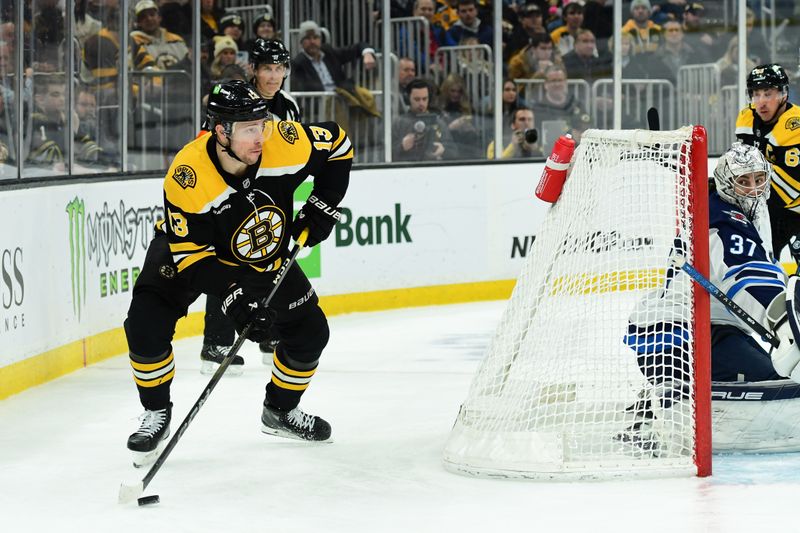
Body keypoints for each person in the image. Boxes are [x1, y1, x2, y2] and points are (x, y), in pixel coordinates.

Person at [124, 80, 352, 466]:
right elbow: (193, 257)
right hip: (194, 253)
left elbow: (339, 145)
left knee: (311, 333)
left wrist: (322, 206)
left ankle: (280, 411)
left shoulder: (283, 140)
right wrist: (233, 297)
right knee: (145, 322)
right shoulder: (188, 175)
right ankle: (156, 412)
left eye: (261, 124)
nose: (260, 136)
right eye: (248, 129)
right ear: (221, 132)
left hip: (258, 251)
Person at [620, 143, 785, 452]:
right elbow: (748, 276)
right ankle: (664, 404)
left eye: (759, 179)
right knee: (774, 383)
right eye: (743, 181)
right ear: (726, 184)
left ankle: (653, 403)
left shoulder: (737, 210)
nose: (753, 189)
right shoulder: (725, 220)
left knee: (773, 373)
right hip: (683, 337)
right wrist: (784, 322)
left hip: (698, 332)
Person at [198, 38, 302, 376]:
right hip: (232, 194)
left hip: (273, 197)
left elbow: (295, 151)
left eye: (279, 68)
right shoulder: (234, 100)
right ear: (253, 69)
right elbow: (207, 146)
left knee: (272, 262)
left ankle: (270, 336)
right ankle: (216, 342)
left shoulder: (289, 106)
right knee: (228, 264)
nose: (273, 76)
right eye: (267, 68)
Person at [735, 64, 800, 259]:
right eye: (756, 94)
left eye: (767, 94)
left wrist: (744, 190)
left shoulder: (794, 124)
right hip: (770, 207)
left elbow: (791, 187)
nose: (761, 102)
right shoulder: (746, 118)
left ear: (783, 94)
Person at [392, 78, 453, 161]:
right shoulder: (398, 123)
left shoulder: (438, 123)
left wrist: (444, 151)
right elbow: (382, 153)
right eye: (417, 99)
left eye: (424, 99)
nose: (421, 103)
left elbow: (454, 152)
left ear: (429, 99)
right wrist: (401, 146)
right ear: (407, 99)